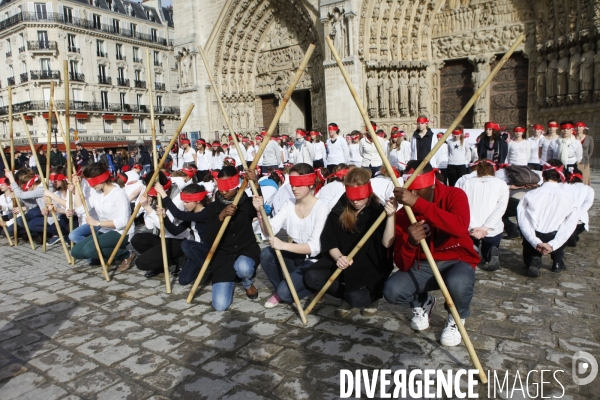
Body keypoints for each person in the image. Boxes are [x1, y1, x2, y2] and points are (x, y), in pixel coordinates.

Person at [383, 161, 480, 347]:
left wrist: (418, 204)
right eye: (410, 192)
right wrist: (411, 243)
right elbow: (402, 264)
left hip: (457, 261)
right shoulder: (405, 214)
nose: (414, 195)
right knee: (393, 290)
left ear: (433, 184)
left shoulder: (455, 195)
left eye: (419, 191)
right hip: (425, 265)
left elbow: (459, 228)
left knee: (458, 283)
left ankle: (457, 317)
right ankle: (424, 302)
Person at [304, 168, 397, 317]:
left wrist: (391, 216)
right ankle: (346, 296)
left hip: (368, 266)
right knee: (312, 277)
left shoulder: (377, 211)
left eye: (360, 197)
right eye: (352, 197)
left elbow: (387, 243)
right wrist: (338, 257)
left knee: (358, 299)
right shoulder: (340, 208)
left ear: (368, 191)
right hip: (342, 262)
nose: (355, 201)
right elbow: (329, 240)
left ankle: (371, 297)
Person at [180, 166, 260, 310]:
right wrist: (221, 217)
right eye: (221, 187)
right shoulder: (212, 208)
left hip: (246, 250)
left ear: (237, 185)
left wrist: (256, 184)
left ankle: (247, 282)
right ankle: (232, 276)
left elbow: (259, 208)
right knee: (220, 305)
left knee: (243, 268)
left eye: (228, 188)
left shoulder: (246, 203)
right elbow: (209, 239)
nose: (224, 191)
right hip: (223, 257)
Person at [255, 163, 329, 308]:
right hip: (294, 255)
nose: (294, 188)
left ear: (311, 184)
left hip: (314, 260)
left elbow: (313, 247)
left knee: (286, 293)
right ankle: (281, 290)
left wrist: (282, 245)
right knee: (266, 254)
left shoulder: (321, 207)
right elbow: (268, 231)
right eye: (292, 184)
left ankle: (312, 287)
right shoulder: (289, 203)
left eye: (299, 184)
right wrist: (260, 213)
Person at [517, 162, 580, 276]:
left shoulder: (531, 194)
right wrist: (554, 244)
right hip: (554, 234)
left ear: (543, 175)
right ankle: (557, 262)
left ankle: (533, 258)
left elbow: (523, 220)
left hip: (535, 232)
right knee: (561, 230)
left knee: (529, 251)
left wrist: (534, 241)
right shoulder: (570, 198)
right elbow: (569, 224)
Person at [71, 162, 135, 266]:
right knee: (76, 251)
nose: (91, 186)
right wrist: (77, 188)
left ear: (102, 179)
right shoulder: (97, 193)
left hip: (122, 232)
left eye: (93, 183)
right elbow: (80, 210)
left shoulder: (118, 193)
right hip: (104, 230)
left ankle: (126, 254)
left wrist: (98, 223)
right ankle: (110, 252)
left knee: (89, 250)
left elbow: (123, 222)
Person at [130, 172, 190, 277]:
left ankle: (177, 257)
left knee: (141, 262)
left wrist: (148, 209)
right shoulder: (153, 197)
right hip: (161, 236)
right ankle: (161, 264)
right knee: (137, 239)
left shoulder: (177, 199)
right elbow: (149, 226)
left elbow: (165, 226)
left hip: (176, 240)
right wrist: (148, 206)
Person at [456, 160, 509, 271]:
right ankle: (490, 252)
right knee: (492, 240)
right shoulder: (501, 184)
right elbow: (501, 208)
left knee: (470, 244)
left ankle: (472, 254)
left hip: (471, 226)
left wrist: (473, 225)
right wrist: (485, 227)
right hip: (492, 227)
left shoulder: (467, 182)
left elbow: (461, 204)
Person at [39, 167, 74, 246]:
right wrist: (48, 210)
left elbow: (69, 206)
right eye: (52, 179)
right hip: (63, 220)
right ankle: (62, 235)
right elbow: (54, 211)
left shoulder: (71, 191)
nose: (53, 181)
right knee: (52, 228)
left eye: (56, 179)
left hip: (74, 218)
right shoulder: (57, 193)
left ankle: (68, 237)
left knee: (62, 218)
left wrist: (51, 196)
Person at [561, 168, 594, 247]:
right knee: (578, 227)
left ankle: (569, 236)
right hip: (579, 220)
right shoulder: (588, 189)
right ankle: (573, 235)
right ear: (581, 178)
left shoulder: (562, 186)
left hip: (563, 218)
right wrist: (577, 214)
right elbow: (588, 203)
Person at [574, 121, 593, 185]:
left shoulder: (589, 138)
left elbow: (591, 151)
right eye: (577, 126)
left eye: (580, 126)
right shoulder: (572, 137)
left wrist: (587, 157)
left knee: (584, 178)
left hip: (584, 161)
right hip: (574, 161)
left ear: (584, 128)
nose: (578, 128)